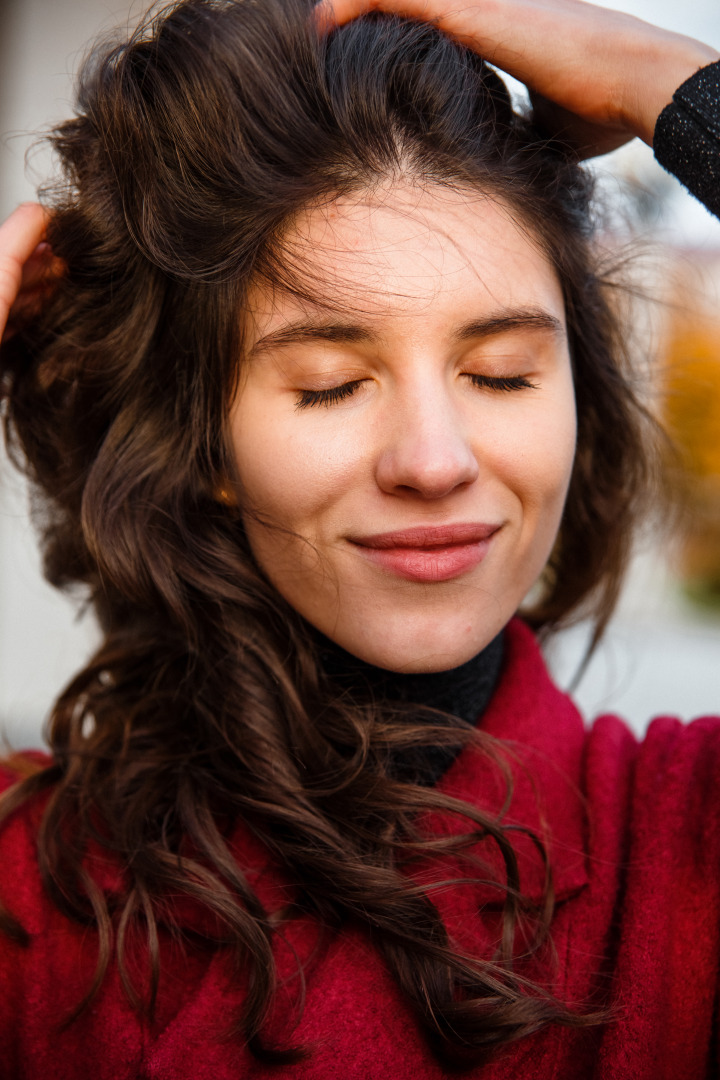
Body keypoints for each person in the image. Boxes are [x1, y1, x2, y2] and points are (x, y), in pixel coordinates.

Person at [0, 0, 718, 1076]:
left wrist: (671, 82)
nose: (433, 459)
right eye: (332, 386)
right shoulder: (28, 896)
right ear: (199, 440)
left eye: (501, 374)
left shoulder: (683, 849)